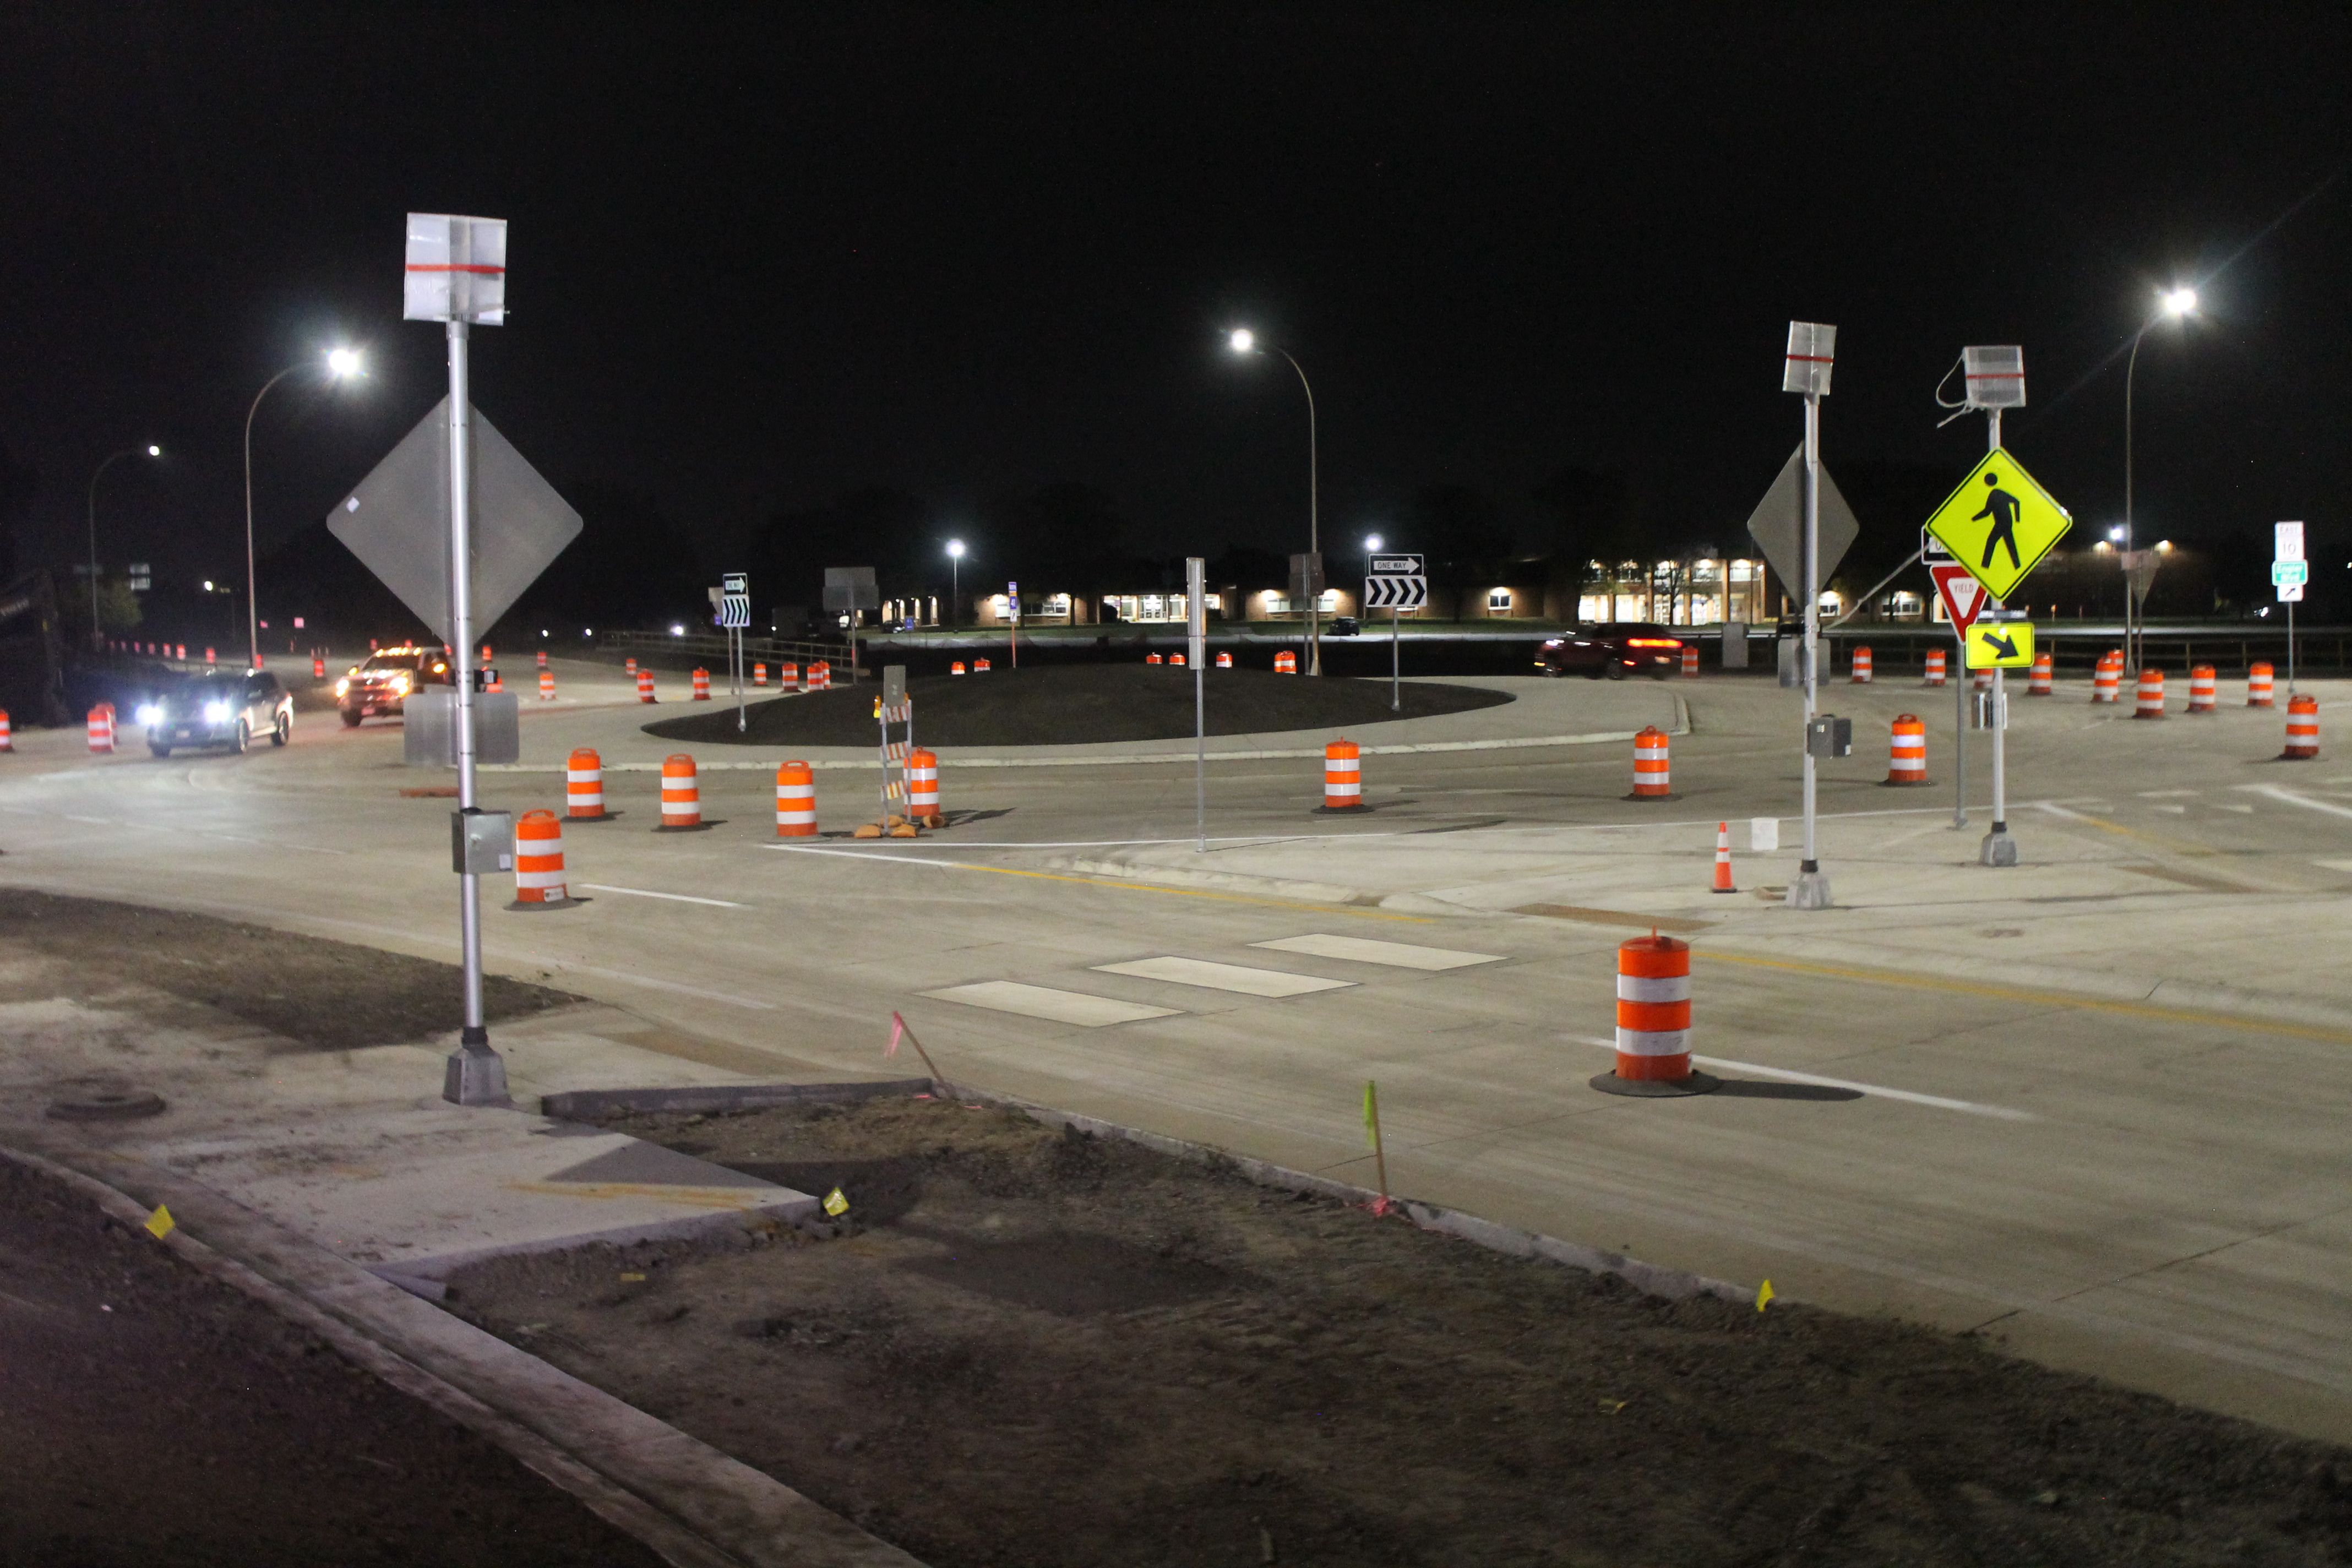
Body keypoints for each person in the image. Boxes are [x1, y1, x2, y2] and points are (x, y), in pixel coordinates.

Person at [1972, 472, 2024, 573]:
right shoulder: (1997, 493)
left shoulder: (1995, 494)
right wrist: (1974, 519)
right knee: (2010, 544)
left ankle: (1985, 567)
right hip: (2006, 523)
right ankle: (2017, 566)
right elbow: (1987, 512)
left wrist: (2018, 520)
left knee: (1991, 542)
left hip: (2002, 523)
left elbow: (1987, 512)